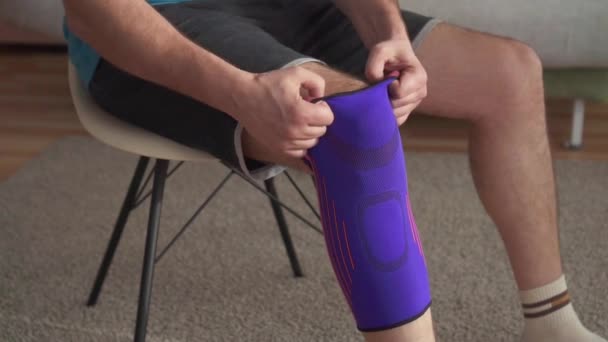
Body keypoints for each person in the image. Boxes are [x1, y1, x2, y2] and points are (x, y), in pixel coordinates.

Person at [62, 0, 606, 341]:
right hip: (149, 24)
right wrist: (240, 94)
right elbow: (92, 10)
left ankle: (551, 323)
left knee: (511, 73)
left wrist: (386, 33)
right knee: (353, 123)